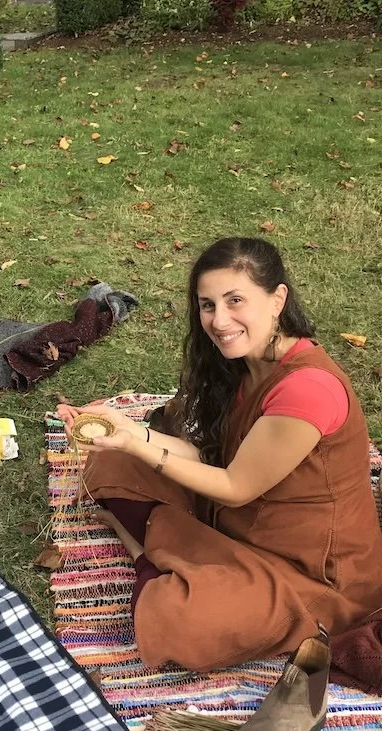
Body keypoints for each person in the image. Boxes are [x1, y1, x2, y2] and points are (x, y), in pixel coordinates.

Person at [58, 237, 382, 672]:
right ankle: (178, 554)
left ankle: (142, 552)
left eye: (235, 301)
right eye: (208, 305)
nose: (219, 320)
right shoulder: (247, 362)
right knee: (111, 462)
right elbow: (207, 456)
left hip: (311, 574)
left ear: (277, 299)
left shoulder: (308, 388)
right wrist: (128, 433)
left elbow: (233, 487)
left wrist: (139, 443)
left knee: (178, 623)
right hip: (240, 528)